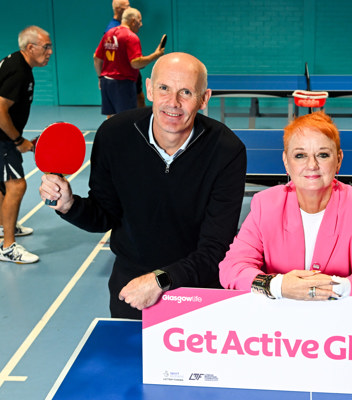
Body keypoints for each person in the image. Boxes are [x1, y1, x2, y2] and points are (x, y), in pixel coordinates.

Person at [39, 53, 247, 319]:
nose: (173, 103)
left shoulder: (226, 151)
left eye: (186, 92)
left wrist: (161, 280)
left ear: (204, 99)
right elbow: (105, 214)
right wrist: (70, 205)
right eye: (164, 88)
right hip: (132, 283)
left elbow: (215, 248)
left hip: (198, 282)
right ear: (149, 88)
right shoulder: (114, 135)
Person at [219, 112, 352, 300]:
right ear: (286, 161)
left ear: (339, 160)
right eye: (300, 155)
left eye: (323, 155)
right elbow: (231, 269)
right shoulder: (265, 205)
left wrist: (329, 288)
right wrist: (279, 286)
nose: (312, 165)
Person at [0, 26, 53, 264]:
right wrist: (18, 140)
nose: (50, 52)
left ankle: (2, 225)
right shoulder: (19, 71)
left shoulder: (13, 59)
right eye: (46, 47)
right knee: (16, 185)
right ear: (31, 48)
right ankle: (7, 248)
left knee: (6, 181)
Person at [94, 7, 165, 118]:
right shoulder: (131, 37)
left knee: (111, 117)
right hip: (123, 84)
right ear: (133, 21)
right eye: (139, 21)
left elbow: (96, 58)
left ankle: (111, 135)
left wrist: (100, 78)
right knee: (127, 118)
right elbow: (135, 63)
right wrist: (156, 55)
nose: (141, 24)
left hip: (106, 82)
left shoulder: (108, 34)